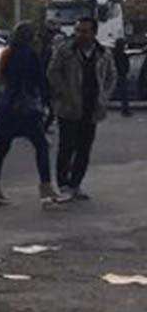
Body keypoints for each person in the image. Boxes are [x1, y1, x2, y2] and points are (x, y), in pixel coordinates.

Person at [0, 22, 63, 208]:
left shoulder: (8, 53)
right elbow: (36, 79)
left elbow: (5, 78)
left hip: (7, 105)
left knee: (2, 148)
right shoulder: (29, 54)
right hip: (25, 108)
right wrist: (47, 98)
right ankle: (45, 187)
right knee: (41, 146)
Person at [48, 17, 116, 202]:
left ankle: (75, 184)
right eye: (78, 31)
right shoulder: (65, 51)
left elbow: (111, 76)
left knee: (84, 149)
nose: (80, 35)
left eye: (84, 31)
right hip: (69, 108)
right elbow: (53, 72)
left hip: (92, 108)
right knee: (66, 148)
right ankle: (63, 185)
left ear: (93, 33)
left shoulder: (103, 53)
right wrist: (64, 92)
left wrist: (104, 96)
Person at [113, 38, 132, 118]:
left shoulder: (113, 55)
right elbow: (127, 65)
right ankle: (125, 110)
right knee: (124, 94)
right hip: (121, 76)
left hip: (116, 75)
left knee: (122, 94)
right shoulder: (123, 55)